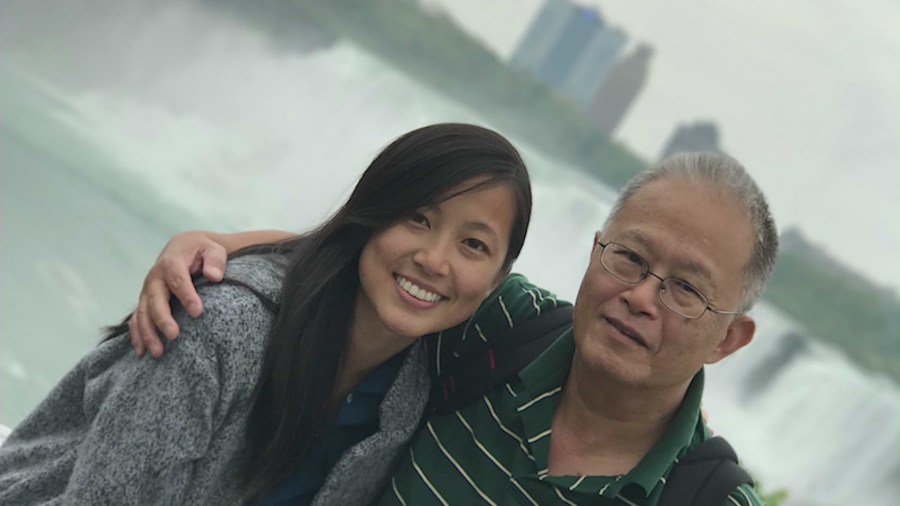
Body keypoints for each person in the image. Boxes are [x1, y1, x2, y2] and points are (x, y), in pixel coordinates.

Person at [122, 152, 776, 505]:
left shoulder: (704, 500)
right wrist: (212, 245)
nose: (639, 297)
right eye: (630, 258)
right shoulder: (502, 327)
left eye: (685, 288)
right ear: (596, 251)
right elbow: (378, 261)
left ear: (728, 339)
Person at [0, 123, 568, 505]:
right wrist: (217, 245)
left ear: (497, 279)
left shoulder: (408, 391)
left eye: (474, 245)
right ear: (369, 215)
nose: (433, 259)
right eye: (416, 218)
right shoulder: (216, 328)